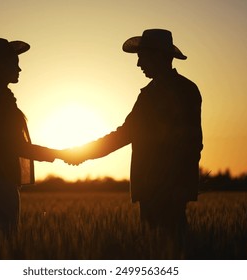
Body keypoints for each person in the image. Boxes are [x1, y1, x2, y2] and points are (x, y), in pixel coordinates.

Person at [63, 29, 203, 258]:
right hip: (163, 187)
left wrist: (81, 153)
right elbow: (192, 143)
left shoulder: (161, 94)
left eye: (142, 56)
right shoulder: (180, 89)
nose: (138, 64)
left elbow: (126, 134)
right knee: (171, 249)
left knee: (163, 250)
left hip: (160, 187)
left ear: (158, 56)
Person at [0, 38, 60, 249]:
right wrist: (58, 154)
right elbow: (14, 145)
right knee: (2, 245)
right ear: (0, 66)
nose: (19, 68)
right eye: (14, 63)